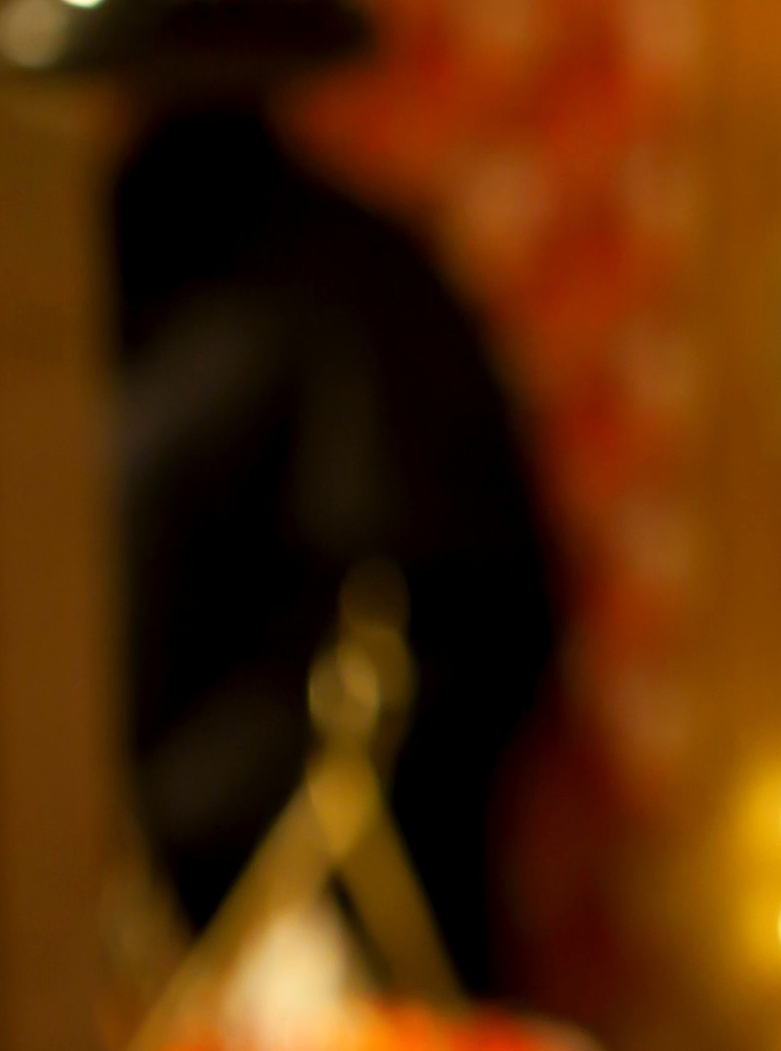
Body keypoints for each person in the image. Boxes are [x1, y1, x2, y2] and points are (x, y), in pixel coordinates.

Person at [115, 91, 562, 996]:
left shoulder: (352, 289)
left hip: (338, 869)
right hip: (128, 883)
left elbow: (461, 605)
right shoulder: (79, 279)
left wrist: (169, 808)